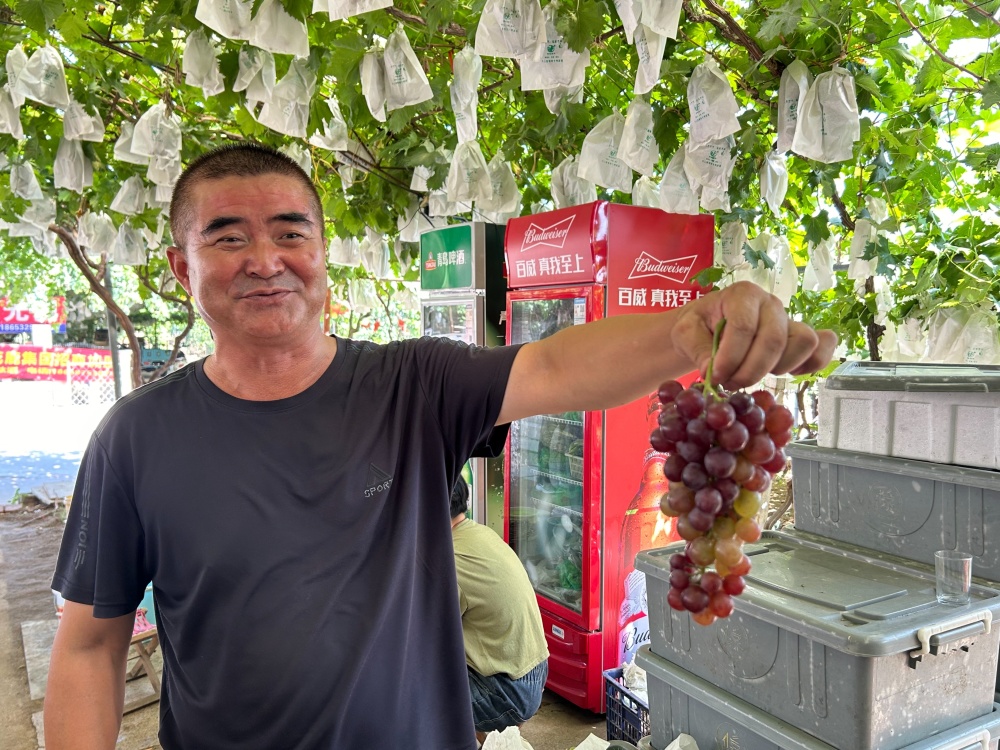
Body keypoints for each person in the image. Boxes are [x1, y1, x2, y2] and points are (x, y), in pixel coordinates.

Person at [43, 142, 837, 750]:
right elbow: (88, 644)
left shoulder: (412, 384)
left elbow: (558, 365)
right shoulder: (135, 437)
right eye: (226, 238)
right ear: (183, 270)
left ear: (322, 260)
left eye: (291, 232)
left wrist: (684, 328)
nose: (264, 259)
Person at [449, 476, 548, 743]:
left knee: (412, 682)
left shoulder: (451, 559)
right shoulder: (479, 533)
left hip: (509, 692)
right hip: (533, 672)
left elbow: (425, 633)